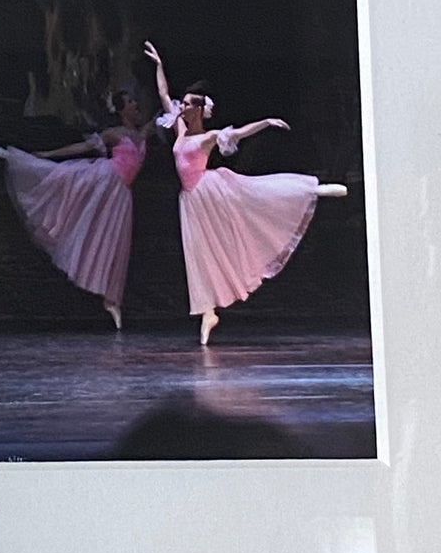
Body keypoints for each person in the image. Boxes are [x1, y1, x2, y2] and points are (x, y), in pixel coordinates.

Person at [144, 40, 347, 346]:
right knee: (199, 254)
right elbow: (163, 95)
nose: (180, 106)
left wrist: (265, 122)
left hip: (208, 192)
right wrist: (159, 66)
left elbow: (237, 132)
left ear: (198, 109)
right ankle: (208, 312)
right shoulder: (181, 131)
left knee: (259, 196)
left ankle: (314, 190)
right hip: (191, 199)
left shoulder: (206, 138)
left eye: (186, 104)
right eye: (182, 103)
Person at [0, 89, 154, 328]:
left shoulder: (142, 133)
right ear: (122, 109)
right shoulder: (115, 133)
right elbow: (82, 147)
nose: (135, 105)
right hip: (104, 179)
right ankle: (17, 159)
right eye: (131, 102)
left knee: (113, 244)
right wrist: (50, 153)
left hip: (121, 194)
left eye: (135, 101)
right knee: (60, 180)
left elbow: (167, 108)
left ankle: (111, 300)